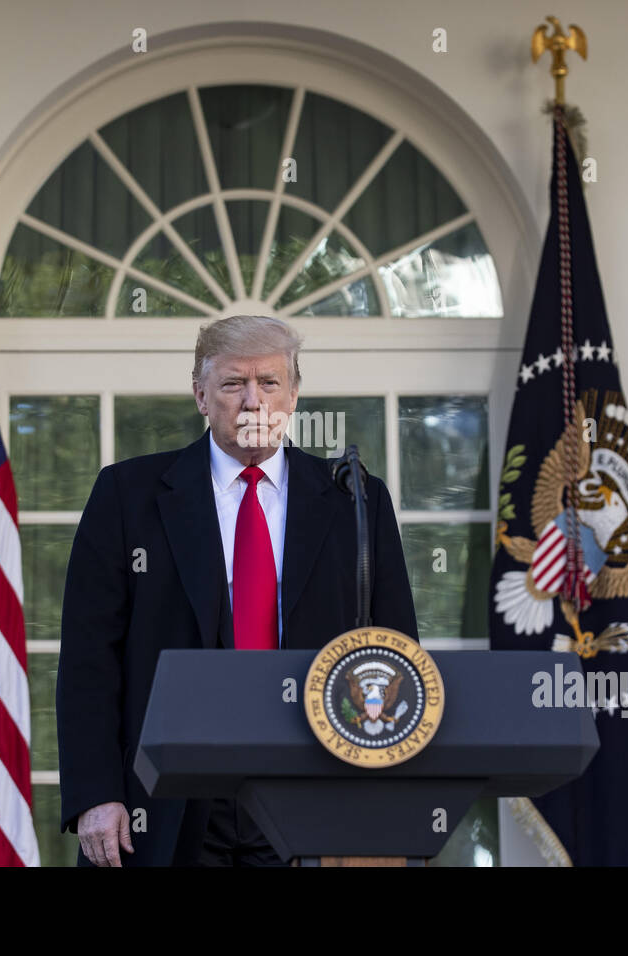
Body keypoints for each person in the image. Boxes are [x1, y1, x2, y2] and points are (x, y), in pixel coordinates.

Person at [56, 314, 419, 867]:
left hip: (311, 789)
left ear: (294, 395)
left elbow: (393, 650)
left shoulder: (356, 501)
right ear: (201, 395)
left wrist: (384, 795)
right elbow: (88, 660)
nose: (254, 401)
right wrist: (96, 794)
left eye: (269, 383)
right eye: (233, 384)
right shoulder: (127, 495)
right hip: (165, 797)